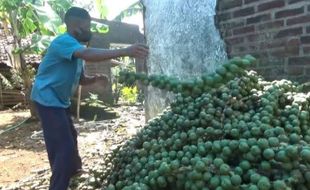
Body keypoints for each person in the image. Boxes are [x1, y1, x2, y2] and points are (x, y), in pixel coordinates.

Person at [30, 7, 148, 190]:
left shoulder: (75, 50)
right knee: (62, 146)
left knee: (70, 136)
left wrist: (95, 79)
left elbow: (81, 78)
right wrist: (125, 51)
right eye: (88, 27)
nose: (90, 31)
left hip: (59, 101)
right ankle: (58, 185)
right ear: (76, 27)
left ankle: (74, 171)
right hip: (47, 99)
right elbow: (88, 54)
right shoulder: (64, 42)